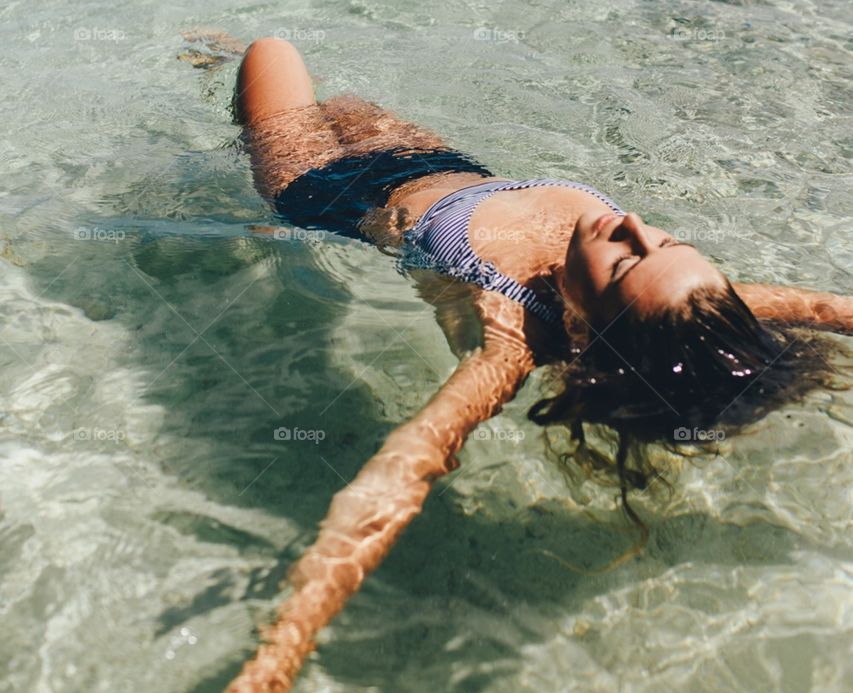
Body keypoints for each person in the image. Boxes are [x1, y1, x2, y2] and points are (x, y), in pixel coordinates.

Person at [231, 35, 851, 504]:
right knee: (339, 100)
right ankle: (226, 75)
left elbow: (409, 462)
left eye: (625, 262)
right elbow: (828, 309)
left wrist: (283, 647)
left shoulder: (509, 329)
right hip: (431, 159)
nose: (634, 225)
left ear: (583, 329)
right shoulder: (677, 302)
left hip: (323, 187)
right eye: (668, 242)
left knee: (270, 49)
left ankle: (225, 78)